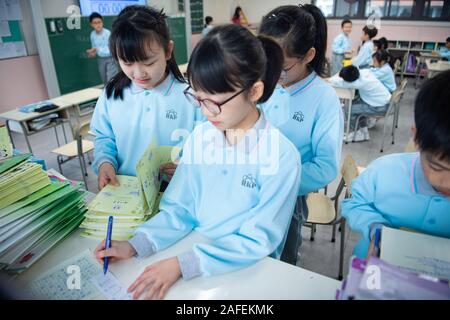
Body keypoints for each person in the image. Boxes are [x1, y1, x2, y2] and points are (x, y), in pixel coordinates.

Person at [94, 24, 301, 300]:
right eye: (198, 99)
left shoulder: (281, 157)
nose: (206, 112)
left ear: (254, 91)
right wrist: (137, 244)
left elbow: (257, 240)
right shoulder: (202, 136)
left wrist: (183, 263)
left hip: (245, 271)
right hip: (194, 254)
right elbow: (180, 209)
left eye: (215, 103)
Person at [259, 4, 343, 265]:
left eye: (281, 68)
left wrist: (278, 180)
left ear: (308, 55)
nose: (271, 74)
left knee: (278, 268)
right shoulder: (261, 82)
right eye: (265, 63)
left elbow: (325, 166)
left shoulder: (323, 99)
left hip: (288, 199)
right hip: (245, 188)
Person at [90, 6, 203, 190]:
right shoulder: (112, 94)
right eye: (127, 63)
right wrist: (105, 162)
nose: (139, 73)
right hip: (125, 192)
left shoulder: (191, 98)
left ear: (168, 51)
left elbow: (207, 146)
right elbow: (104, 137)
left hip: (176, 194)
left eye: (149, 62)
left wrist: (190, 166)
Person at [341, 70, 450, 259]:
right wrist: (374, 227)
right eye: (439, 167)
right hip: (374, 275)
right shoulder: (383, 172)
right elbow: (355, 202)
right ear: (416, 137)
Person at [329, 65, 391, 142]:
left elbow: (338, 82)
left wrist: (327, 79)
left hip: (379, 107)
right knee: (355, 103)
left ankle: (357, 134)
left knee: (349, 109)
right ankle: (363, 132)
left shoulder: (360, 83)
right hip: (382, 102)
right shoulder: (364, 72)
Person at [86, 12, 118, 84]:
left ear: (102, 22)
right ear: (91, 24)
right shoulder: (92, 34)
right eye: (95, 23)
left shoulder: (107, 33)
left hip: (111, 58)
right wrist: (92, 53)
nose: (98, 25)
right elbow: (94, 48)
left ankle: (114, 93)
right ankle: (108, 94)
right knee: (105, 81)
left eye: (99, 22)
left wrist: (98, 49)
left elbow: (111, 49)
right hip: (100, 60)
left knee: (111, 79)